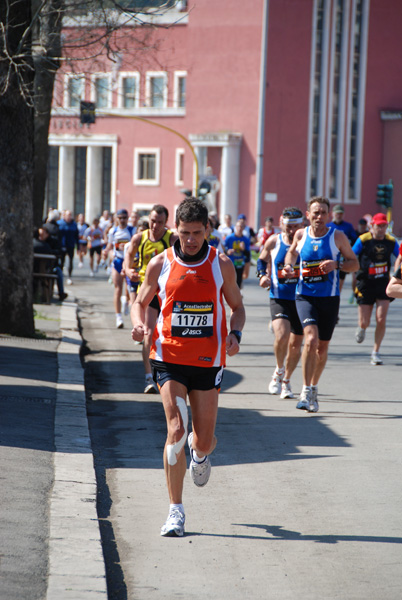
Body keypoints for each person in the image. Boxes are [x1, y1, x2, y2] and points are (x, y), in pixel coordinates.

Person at [131, 197, 245, 537]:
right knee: (176, 431)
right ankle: (175, 512)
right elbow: (140, 301)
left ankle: (201, 454)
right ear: (174, 231)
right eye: (184, 233)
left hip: (208, 362)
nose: (191, 239)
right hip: (168, 358)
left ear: (207, 229)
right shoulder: (160, 263)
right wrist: (139, 325)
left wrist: (235, 333)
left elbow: (237, 307)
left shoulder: (220, 264)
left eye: (197, 232)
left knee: (203, 440)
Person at [284, 196, 359, 413]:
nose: (319, 216)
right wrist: (289, 265)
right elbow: (292, 252)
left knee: (322, 347)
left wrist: (337, 265)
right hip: (304, 296)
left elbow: (355, 264)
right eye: (315, 212)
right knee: (311, 339)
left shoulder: (338, 237)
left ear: (328, 215)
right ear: (308, 215)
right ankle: (305, 390)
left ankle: (314, 387)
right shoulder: (300, 234)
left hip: (329, 298)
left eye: (323, 213)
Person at [124, 205, 177, 393]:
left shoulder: (171, 238)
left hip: (167, 293)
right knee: (148, 333)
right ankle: (148, 378)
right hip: (147, 293)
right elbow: (128, 256)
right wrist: (129, 269)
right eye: (153, 221)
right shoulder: (140, 238)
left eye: (160, 222)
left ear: (166, 222)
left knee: (168, 335)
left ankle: (169, 374)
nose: (155, 225)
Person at [257, 207, 304, 399]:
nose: (292, 230)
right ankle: (278, 370)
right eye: (288, 226)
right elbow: (261, 261)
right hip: (279, 297)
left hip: (302, 299)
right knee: (282, 336)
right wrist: (262, 276)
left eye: (296, 226)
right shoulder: (274, 240)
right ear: (281, 222)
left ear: (302, 225)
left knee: (295, 345)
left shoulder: (307, 242)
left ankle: (287, 380)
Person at [352, 212, 399, 365]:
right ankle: (361, 327)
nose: (381, 229)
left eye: (384, 226)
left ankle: (375, 352)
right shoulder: (363, 240)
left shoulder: (391, 241)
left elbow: (400, 256)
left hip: (383, 283)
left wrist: (396, 273)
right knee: (365, 321)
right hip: (365, 283)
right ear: (372, 225)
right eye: (378, 226)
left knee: (381, 318)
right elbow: (351, 256)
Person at [104, 208, 135, 328]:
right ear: (117, 218)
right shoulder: (113, 231)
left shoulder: (132, 230)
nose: (122, 220)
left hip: (129, 262)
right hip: (117, 261)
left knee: (129, 289)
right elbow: (110, 246)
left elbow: (135, 246)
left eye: (124, 218)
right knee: (118, 288)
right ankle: (118, 317)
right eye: (120, 218)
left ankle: (126, 302)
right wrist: (108, 252)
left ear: (128, 219)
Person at [327, 205, 357, 293]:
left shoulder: (348, 226)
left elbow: (355, 239)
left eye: (341, 214)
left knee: (340, 281)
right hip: (330, 257)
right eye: (337, 214)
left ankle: (336, 298)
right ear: (332, 214)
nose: (339, 216)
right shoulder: (328, 226)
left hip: (342, 258)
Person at [33, 227, 67, 301]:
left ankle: (61, 293)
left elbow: (59, 251)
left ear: (47, 234)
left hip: (49, 268)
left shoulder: (52, 242)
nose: (41, 236)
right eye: (39, 234)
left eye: (42, 234)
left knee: (58, 271)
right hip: (37, 269)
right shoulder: (39, 244)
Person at [224, 220, 251, 288]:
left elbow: (248, 254)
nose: (240, 228)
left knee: (238, 282)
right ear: (235, 227)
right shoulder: (229, 237)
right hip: (230, 263)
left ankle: (237, 296)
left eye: (242, 226)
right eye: (238, 226)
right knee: (229, 282)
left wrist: (243, 249)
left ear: (244, 228)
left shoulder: (246, 239)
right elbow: (223, 249)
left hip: (240, 262)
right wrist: (228, 251)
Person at [57, 210, 79, 285]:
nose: (69, 216)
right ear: (64, 215)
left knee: (70, 261)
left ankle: (69, 276)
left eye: (70, 215)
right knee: (62, 261)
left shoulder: (74, 224)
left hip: (71, 245)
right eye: (67, 215)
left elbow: (76, 236)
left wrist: (78, 247)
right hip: (62, 245)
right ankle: (60, 276)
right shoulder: (60, 223)